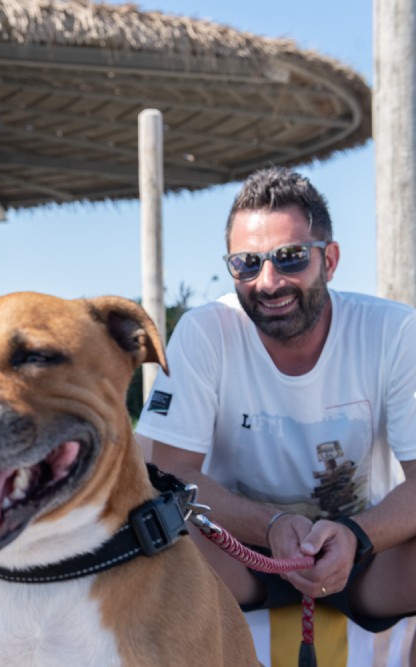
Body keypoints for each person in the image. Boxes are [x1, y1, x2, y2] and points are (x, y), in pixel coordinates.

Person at [135, 166, 416, 660]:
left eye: (290, 258)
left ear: (329, 259)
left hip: (363, 554)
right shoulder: (206, 331)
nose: (268, 282)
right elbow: (171, 473)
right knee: (139, 533)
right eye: (247, 263)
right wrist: (271, 525)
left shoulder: (393, 331)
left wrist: (356, 534)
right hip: (238, 554)